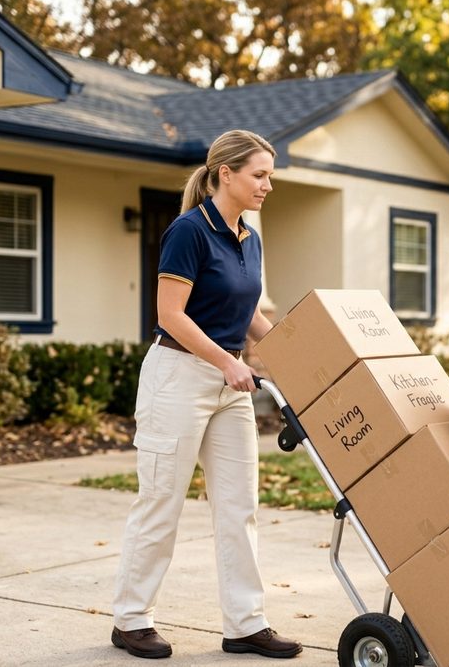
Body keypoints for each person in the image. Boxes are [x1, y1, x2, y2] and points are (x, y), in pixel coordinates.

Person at [111, 129, 301, 660]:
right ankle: (131, 620)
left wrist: (300, 357)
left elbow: (249, 317)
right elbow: (170, 314)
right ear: (226, 174)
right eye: (259, 174)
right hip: (178, 377)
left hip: (228, 383)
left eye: (270, 175)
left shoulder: (250, 237)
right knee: (161, 502)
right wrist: (225, 362)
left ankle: (245, 623)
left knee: (240, 507)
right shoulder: (189, 231)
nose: (268, 184)